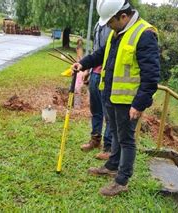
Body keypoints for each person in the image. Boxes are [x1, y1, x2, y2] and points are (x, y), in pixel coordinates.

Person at [71, 0, 160, 196]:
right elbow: (102, 54)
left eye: (110, 22)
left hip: (128, 101)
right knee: (117, 135)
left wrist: (139, 103)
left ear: (123, 16)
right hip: (111, 95)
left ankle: (122, 180)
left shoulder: (144, 34)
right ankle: (112, 165)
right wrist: (83, 64)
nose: (109, 26)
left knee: (126, 139)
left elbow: (151, 76)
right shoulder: (117, 32)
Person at [80, 21, 113, 160]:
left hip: (108, 75)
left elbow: (109, 51)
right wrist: (87, 69)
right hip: (95, 72)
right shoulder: (98, 24)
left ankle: (109, 147)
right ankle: (95, 140)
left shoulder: (115, 24)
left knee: (109, 113)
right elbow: (96, 50)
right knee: (96, 110)